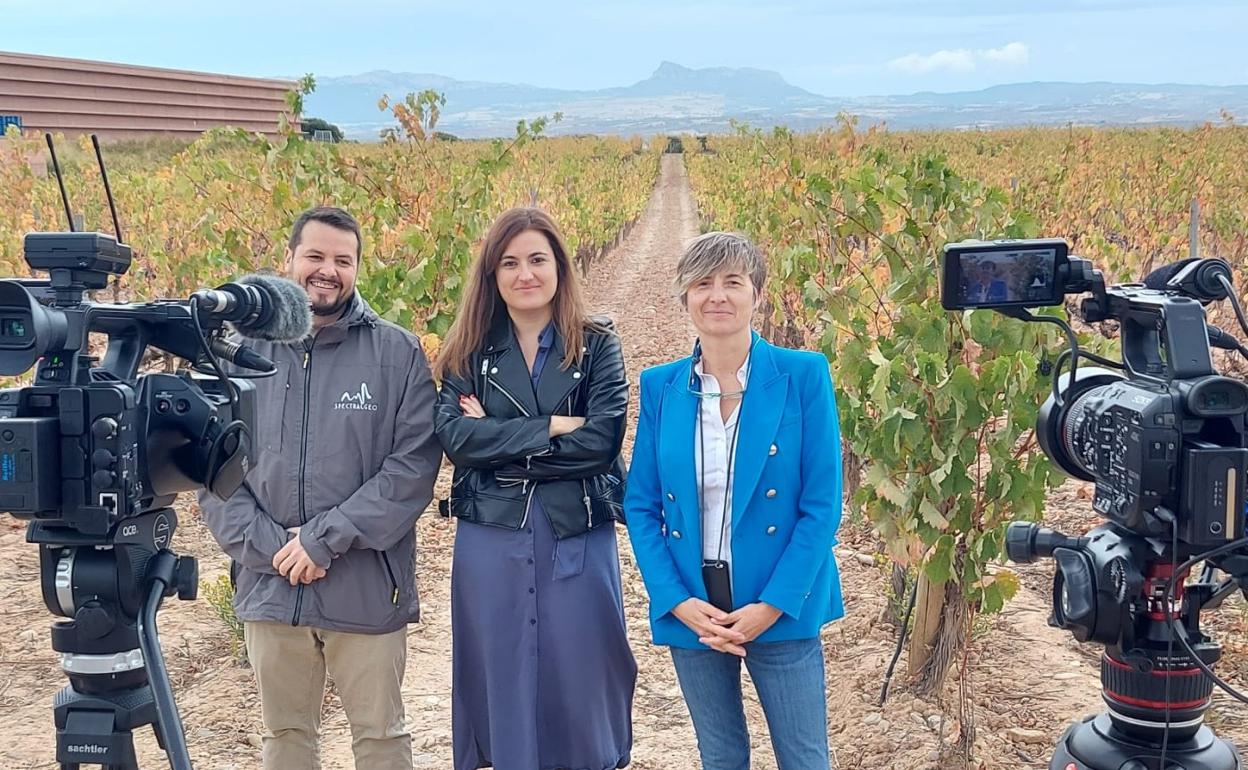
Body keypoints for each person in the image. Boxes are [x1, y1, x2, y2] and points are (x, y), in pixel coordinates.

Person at [200, 206, 443, 770]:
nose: (326, 270)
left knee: (381, 737)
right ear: (289, 261)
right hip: (268, 586)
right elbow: (212, 470)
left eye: (342, 260)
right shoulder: (238, 353)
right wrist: (272, 549)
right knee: (284, 736)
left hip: (363, 583)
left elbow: (410, 471)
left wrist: (322, 540)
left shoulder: (396, 353)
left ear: (358, 268)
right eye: (315, 256)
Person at [625, 231, 844, 770]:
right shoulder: (660, 386)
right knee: (719, 757)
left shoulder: (801, 374)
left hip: (779, 602)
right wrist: (676, 601)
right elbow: (641, 505)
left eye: (732, 282)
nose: (717, 295)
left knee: (805, 758)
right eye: (702, 283)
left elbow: (822, 505)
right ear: (685, 297)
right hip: (696, 606)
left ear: (756, 294)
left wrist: (771, 605)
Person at [434, 206, 636, 770]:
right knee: (501, 661)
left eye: (537, 260)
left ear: (560, 267)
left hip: (574, 527)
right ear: (492, 275)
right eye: (510, 262)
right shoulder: (468, 348)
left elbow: (600, 442)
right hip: (491, 534)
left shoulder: (598, 344)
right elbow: (455, 440)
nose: (525, 274)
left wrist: (495, 439)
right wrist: (550, 426)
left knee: (582, 660)